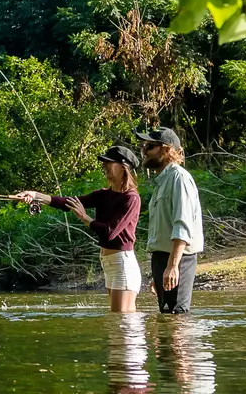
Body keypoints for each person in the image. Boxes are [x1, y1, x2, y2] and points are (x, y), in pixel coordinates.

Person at [15, 144, 142, 312]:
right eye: (104, 163)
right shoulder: (103, 195)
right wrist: (35, 195)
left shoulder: (131, 199)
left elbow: (110, 232)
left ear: (123, 167)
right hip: (109, 263)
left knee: (121, 320)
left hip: (122, 263)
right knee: (119, 324)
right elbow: (67, 202)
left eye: (109, 163)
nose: (104, 167)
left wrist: (85, 217)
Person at [138, 126, 203, 314]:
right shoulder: (162, 181)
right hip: (162, 259)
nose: (144, 151)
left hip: (179, 259)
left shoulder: (179, 178)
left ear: (166, 150)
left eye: (149, 146)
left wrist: (173, 266)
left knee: (178, 318)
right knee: (167, 319)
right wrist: (159, 272)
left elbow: (182, 225)